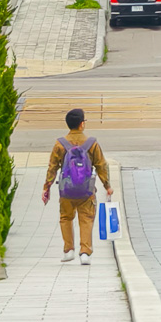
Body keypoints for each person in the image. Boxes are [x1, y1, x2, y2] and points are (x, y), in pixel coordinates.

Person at [42, 107, 113, 265]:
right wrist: (107, 185)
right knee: (86, 218)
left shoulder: (60, 144)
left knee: (66, 217)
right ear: (82, 124)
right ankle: (85, 253)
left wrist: (46, 187)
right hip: (86, 190)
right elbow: (101, 165)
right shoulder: (91, 143)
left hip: (66, 190)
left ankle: (68, 250)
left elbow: (52, 167)